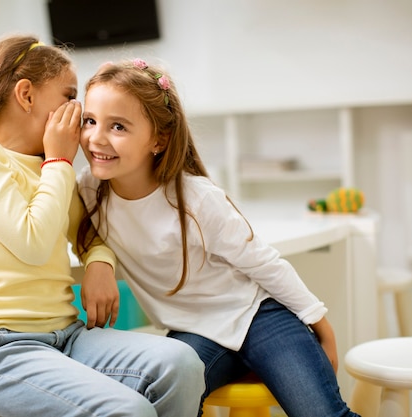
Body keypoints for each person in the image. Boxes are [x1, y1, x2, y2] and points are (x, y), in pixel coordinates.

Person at [77, 58, 361, 417]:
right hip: (194, 333)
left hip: (259, 316)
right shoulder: (88, 191)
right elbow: (79, 234)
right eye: (90, 121)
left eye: (117, 126)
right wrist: (98, 263)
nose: (95, 138)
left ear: (159, 140)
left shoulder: (197, 198)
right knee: (165, 401)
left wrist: (321, 324)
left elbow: (264, 263)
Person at [0, 36, 205, 417]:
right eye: (68, 97)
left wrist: (100, 263)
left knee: (182, 364)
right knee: (127, 409)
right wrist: (60, 161)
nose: (78, 112)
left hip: (68, 336)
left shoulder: (49, 167)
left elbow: (88, 235)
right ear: (26, 95)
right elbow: (32, 241)